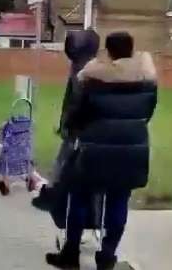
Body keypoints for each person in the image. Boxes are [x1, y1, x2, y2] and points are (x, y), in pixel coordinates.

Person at [45, 32, 157, 270]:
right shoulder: (147, 80)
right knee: (118, 202)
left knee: (79, 197)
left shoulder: (93, 78)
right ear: (131, 50)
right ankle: (107, 256)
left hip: (93, 149)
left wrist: (72, 129)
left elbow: (78, 115)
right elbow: (147, 114)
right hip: (131, 150)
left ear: (108, 52)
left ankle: (71, 254)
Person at [32, 30, 100, 210]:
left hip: (81, 126)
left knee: (67, 162)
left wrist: (69, 123)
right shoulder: (81, 64)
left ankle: (56, 196)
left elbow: (77, 99)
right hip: (79, 124)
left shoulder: (84, 67)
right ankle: (56, 194)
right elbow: (70, 97)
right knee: (66, 160)